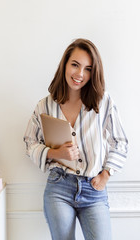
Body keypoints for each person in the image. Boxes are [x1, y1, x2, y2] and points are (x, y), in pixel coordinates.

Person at [23, 38, 128, 240]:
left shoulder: (103, 102)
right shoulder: (44, 106)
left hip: (94, 189)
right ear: (65, 64)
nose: (80, 74)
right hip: (59, 188)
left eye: (88, 69)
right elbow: (29, 142)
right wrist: (54, 153)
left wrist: (105, 175)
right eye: (75, 65)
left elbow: (120, 141)